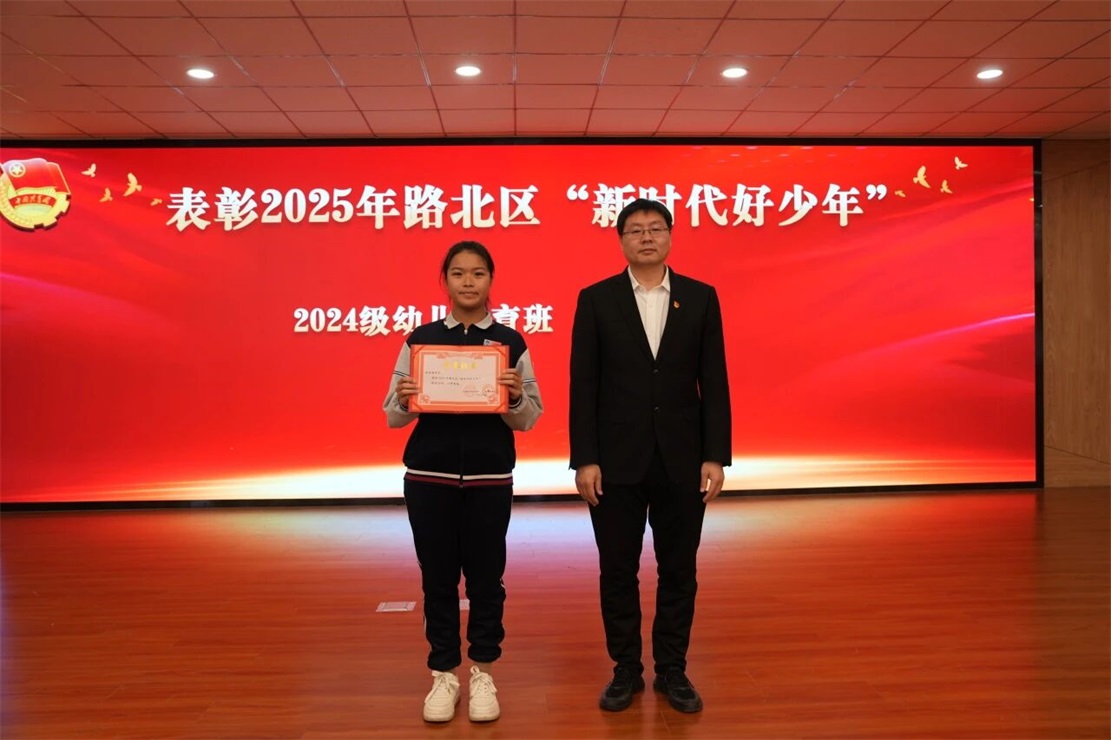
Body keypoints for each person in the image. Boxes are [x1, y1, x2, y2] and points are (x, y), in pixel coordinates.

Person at [569, 198, 731, 714]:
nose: (646, 237)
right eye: (635, 230)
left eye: (656, 228)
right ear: (621, 240)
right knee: (617, 570)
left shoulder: (700, 298)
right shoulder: (596, 299)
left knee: (679, 569)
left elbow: (714, 381)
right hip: (615, 461)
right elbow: (584, 385)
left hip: (683, 459)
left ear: (670, 236)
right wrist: (585, 458)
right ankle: (625, 670)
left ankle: (672, 669)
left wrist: (715, 455)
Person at [384, 240, 543, 723]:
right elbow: (392, 415)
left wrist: (513, 397)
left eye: (477, 273)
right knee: (437, 579)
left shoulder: (511, 343)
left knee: (486, 579)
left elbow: (529, 418)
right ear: (446, 281)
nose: (468, 282)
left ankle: (483, 672)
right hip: (428, 477)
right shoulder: (421, 340)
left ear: (491, 279)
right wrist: (407, 397)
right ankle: (443, 674)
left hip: (489, 478)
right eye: (458, 273)